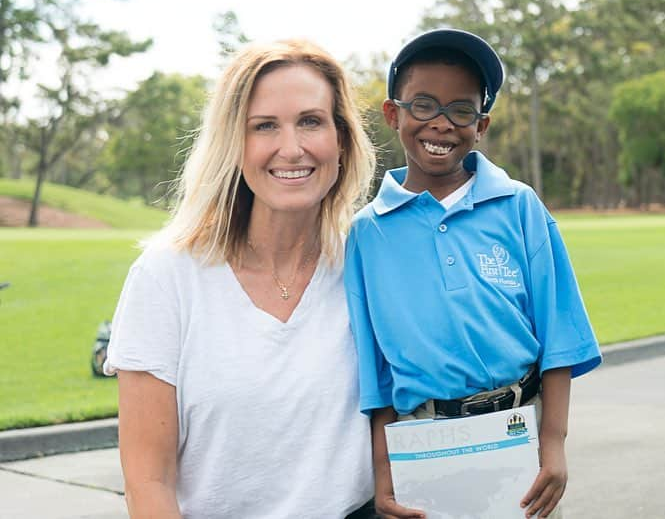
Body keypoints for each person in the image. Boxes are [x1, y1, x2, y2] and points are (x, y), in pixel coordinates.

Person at [104, 39, 377, 518]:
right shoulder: (167, 277)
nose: (291, 149)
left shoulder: (369, 262)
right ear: (233, 144)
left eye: (311, 121)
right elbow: (149, 482)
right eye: (264, 126)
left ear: (342, 139)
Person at [344, 29, 602, 519]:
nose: (441, 124)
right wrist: (384, 474)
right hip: (422, 444)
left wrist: (554, 442)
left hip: (520, 429)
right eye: (424, 105)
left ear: (480, 125)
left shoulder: (519, 206)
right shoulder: (366, 234)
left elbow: (559, 335)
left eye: (460, 110)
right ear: (393, 114)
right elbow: (373, 370)